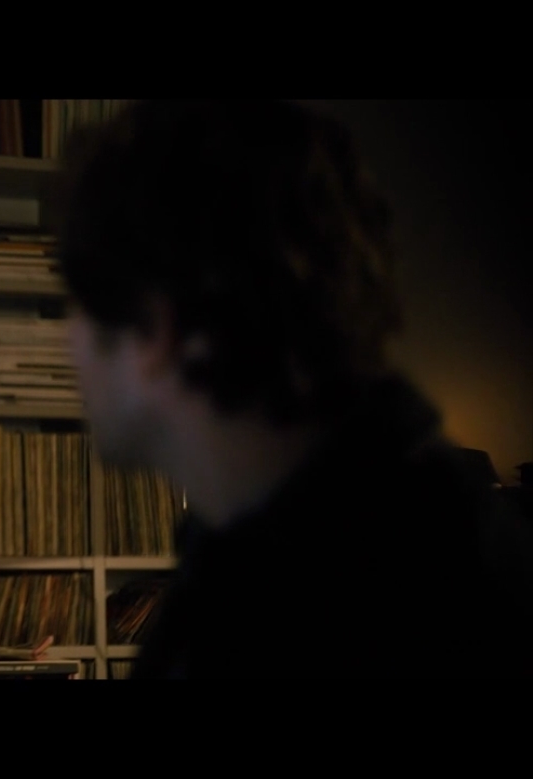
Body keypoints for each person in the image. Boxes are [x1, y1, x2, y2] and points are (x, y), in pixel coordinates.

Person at [52, 100, 533, 678]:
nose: (68, 339)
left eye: (76, 303)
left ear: (158, 327)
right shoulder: (252, 551)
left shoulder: (391, 600)